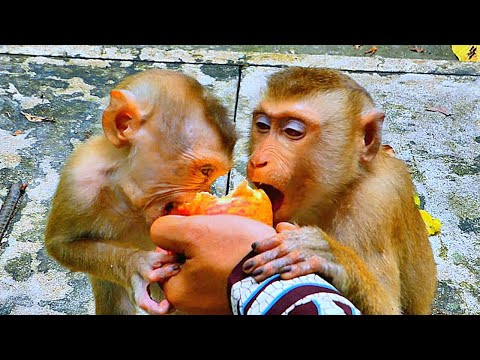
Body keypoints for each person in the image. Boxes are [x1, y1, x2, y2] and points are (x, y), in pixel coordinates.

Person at [150, 214, 361, 315]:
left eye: (294, 131)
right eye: (260, 126)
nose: (258, 159)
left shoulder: (373, 201)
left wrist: (250, 283)